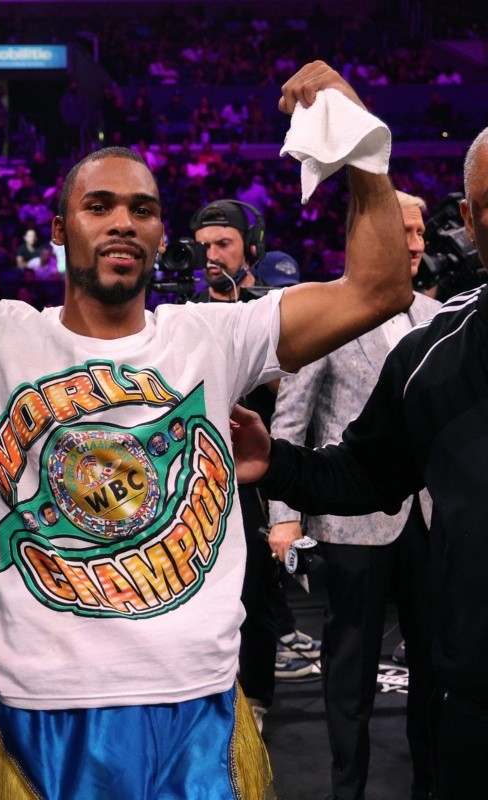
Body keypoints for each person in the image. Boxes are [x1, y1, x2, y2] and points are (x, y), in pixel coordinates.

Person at [0, 62, 414, 799]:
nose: (124, 220)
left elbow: (378, 290)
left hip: (199, 706)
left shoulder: (214, 336)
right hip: (36, 712)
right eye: (100, 205)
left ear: (159, 232)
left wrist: (360, 145)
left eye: (143, 208)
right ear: (60, 229)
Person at [229, 126, 488, 800]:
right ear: (468, 220)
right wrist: (278, 471)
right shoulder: (437, 348)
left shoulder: (431, 324)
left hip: (426, 543)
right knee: (357, 674)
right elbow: (363, 469)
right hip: (473, 691)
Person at [267, 190, 440, 800]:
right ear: (368, 234)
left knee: (436, 665)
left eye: (421, 232)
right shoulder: (329, 310)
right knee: (350, 669)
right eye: (405, 231)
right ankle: (348, 789)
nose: (417, 244)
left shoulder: (438, 316)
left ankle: (431, 782)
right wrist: (283, 519)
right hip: (349, 520)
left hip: (429, 518)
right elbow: (289, 422)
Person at [189, 200, 320, 735]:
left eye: (223, 243)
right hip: (196, 469)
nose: (212, 254)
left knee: (256, 592)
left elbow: (292, 389)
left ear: (250, 246)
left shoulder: (271, 312)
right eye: (204, 245)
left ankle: (259, 698)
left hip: (254, 477)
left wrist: (244, 330)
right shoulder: (186, 311)